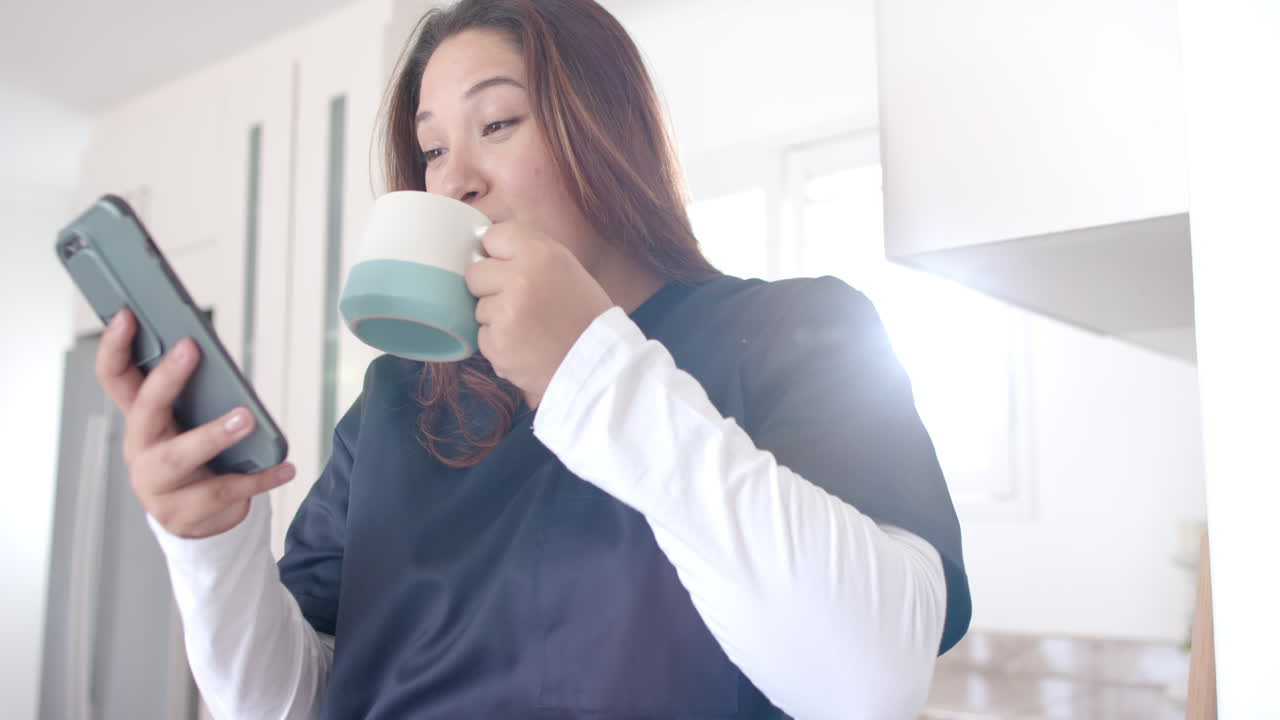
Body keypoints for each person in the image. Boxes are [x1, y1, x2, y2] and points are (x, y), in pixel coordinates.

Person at [94, 0, 971, 717]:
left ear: (609, 130)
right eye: (433, 148)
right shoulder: (400, 397)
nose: (453, 179)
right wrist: (209, 548)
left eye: (498, 122)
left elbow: (870, 683)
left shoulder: (797, 330)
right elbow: (290, 702)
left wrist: (590, 366)